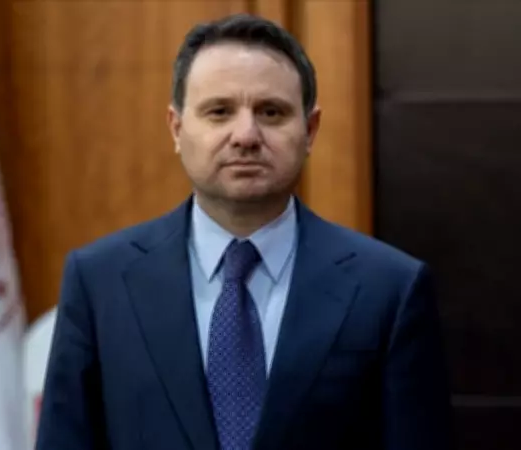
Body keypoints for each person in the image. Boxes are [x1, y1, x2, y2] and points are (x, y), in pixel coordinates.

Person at [36, 13, 453, 450]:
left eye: (271, 112)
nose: (246, 135)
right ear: (177, 128)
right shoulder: (100, 281)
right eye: (219, 112)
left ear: (310, 130)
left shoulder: (389, 289)